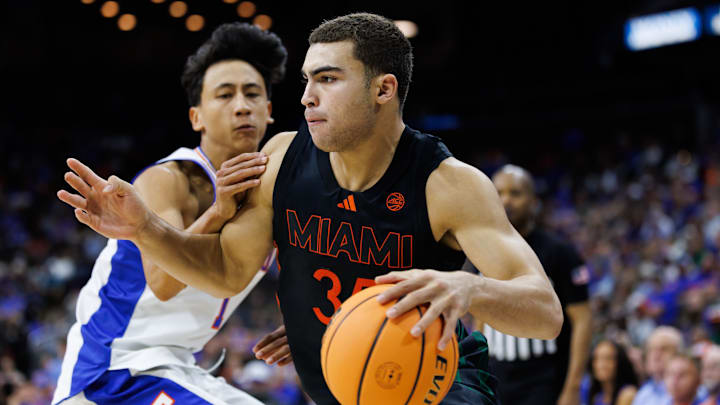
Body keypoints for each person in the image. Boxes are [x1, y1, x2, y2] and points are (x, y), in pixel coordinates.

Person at [57, 13, 563, 405]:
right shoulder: (279, 160)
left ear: (383, 89)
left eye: (327, 79)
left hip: (429, 383)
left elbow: (544, 311)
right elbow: (228, 272)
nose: (305, 97)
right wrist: (145, 227)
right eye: (305, 80)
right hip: (339, 378)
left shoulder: (448, 185)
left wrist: (467, 286)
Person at [52, 22, 286, 405]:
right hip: (112, 371)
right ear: (197, 118)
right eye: (224, 95)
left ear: (269, 110)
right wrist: (218, 211)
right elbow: (163, 283)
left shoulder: (272, 188)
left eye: (252, 93)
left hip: (172, 367)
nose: (241, 105)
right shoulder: (172, 178)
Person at [468, 164, 592, 405]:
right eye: (499, 193)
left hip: (545, 378)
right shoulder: (481, 250)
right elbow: (481, 318)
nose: (506, 201)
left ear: (534, 201)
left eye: (515, 193)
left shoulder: (560, 253)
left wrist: (573, 386)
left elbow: (583, 320)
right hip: (496, 377)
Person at [632, 326, 685, 405]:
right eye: (652, 349)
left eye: (663, 349)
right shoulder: (644, 393)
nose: (656, 355)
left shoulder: (688, 391)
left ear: (678, 354)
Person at [584, 340, 639, 405]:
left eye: (608, 358)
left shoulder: (628, 393)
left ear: (619, 362)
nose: (601, 364)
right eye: (596, 358)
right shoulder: (596, 396)